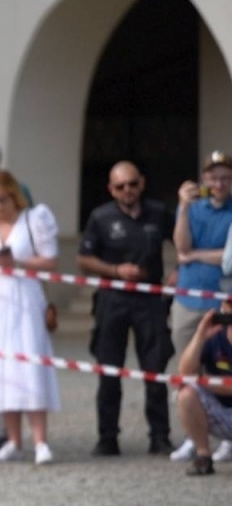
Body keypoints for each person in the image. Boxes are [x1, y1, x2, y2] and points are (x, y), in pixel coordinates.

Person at [0, 169, 61, 464]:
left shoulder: (34, 219)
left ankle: (41, 440)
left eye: (3, 200)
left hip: (25, 297)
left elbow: (51, 261)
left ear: (14, 196)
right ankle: (14, 440)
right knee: (2, 365)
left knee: (29, 361)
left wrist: (15, 261)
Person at [77, 161, 176, 456]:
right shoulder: (101, 216)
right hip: (113, 298)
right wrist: (116, 270)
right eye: (120, 186)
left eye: (132, 184)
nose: (127, 190)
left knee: (154, 369)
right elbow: (84, 258)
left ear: (142, 183)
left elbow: (183, 241)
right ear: (111, 189)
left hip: (149, 299)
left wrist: (180, 269)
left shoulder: (158, 213)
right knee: (109, 370)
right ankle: (108, 437)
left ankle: (160, 436)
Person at [170, 152, 232, 463]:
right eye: (213, 178)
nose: (218, 184)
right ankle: (194, 437)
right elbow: (180, 247)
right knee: (188, 368)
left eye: (225, 178)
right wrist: (182, 207)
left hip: (222, 297)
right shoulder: (193, 208)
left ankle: (226, 438)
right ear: (204, 179)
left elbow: (228, 256)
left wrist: (196, 255)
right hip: (188, 298)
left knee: (224, 365)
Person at [175, 298, 232, 475]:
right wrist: (200, 336)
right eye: (229, 304)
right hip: (222, 412)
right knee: (186, 394)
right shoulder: (216, 335)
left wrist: (203, 380)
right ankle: (203, 455)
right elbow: (184, 372)